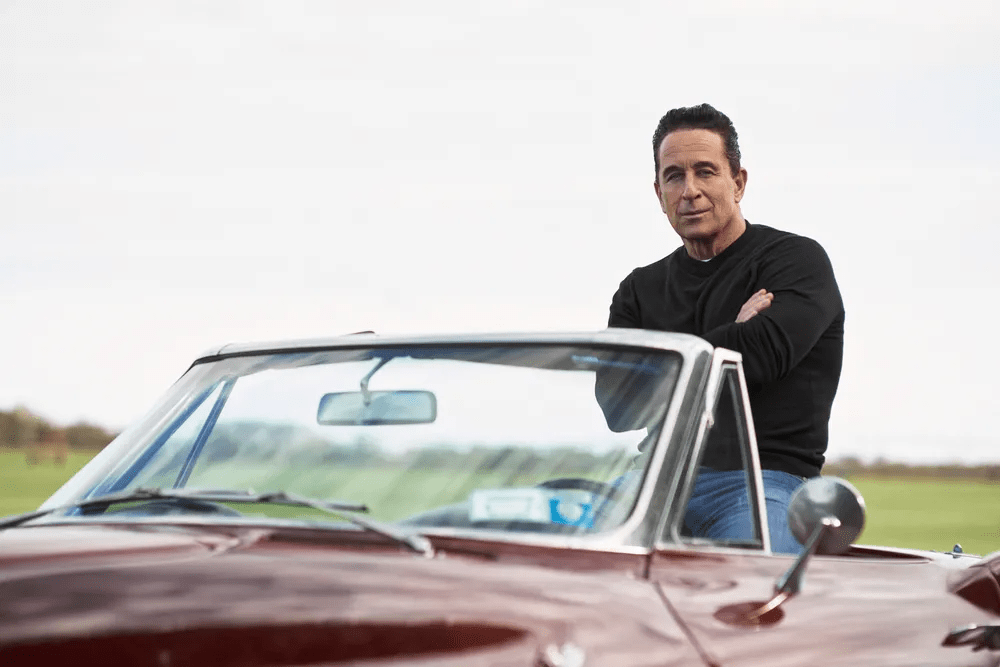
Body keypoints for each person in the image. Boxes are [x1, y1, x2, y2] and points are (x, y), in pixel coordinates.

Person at [607, 103, 844, 554]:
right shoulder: (639, 289)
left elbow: (762, 354)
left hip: (763, 481)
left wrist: (659, 360)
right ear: (658, 193)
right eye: (674, 176)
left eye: (705, 172)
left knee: (751, 578)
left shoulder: (795, 261)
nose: (690, 191)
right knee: (534, 535)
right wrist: (732, 331)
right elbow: (618, 407)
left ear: (738, 182)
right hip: (652, 480)